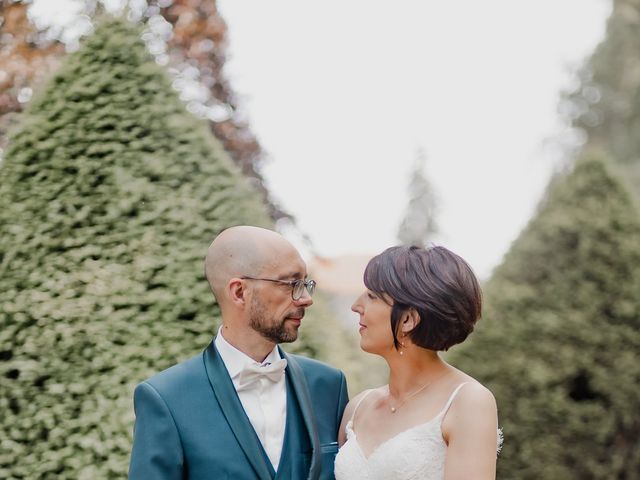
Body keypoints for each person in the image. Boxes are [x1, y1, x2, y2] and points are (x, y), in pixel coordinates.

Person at [129, 226, 349, 480]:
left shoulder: (329, 386)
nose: (305, 299)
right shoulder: (165, 399)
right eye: (291, 283)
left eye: (305, 284)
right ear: (239, 292)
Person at [334, 245, 501, 480]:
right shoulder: (358, 408)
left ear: (408, 319)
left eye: (371, 296)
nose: (355, 306)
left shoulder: (467, 402)